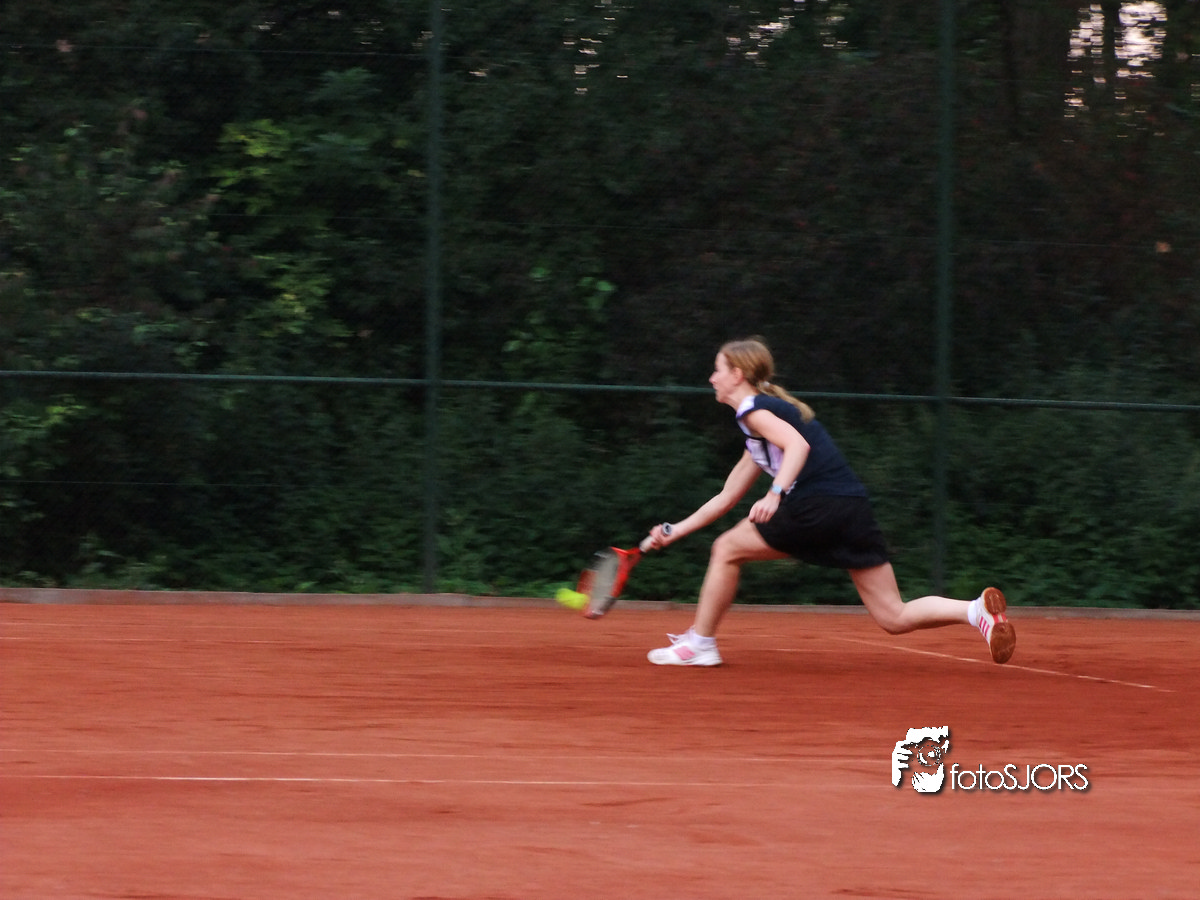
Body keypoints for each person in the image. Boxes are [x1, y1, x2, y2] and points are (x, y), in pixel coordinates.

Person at [641, 337, 1016, 667]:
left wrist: (774, 494)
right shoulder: (758, 430)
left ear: (737, 374)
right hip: (851, 507)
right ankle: (976, 611)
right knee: (893, 616)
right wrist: (675, 530)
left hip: (816, 504)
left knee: (726, 548)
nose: (712, 378)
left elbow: (797, 446)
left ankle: (700, 645)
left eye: (717, 370)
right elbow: (726, 496)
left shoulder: (753, 410)